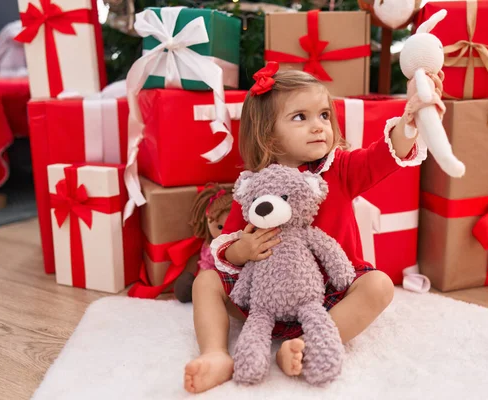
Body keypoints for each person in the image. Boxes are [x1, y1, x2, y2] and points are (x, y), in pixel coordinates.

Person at [184, 62, 429, 393]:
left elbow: (383, 157)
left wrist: (410, 118)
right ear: (267, 133)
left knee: (379, 286)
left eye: (324, 115)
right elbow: (228, 243)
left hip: (328, 297)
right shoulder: (254, 184)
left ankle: (305, 344)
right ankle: (216, 353)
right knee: (207, 280)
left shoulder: (341, 168)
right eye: (301, 117)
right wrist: (243, 249)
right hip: (262, 298)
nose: (318, 127)